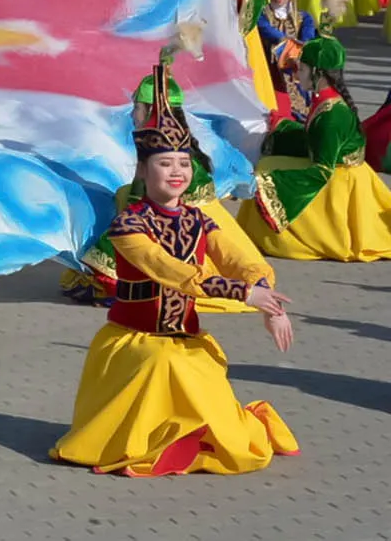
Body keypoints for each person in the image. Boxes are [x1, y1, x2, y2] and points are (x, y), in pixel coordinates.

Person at [50, 103, 297, 476]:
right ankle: (150, 443)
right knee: (164, 363)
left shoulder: (200, 220)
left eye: (183, 163)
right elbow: (175, 273)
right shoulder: (128, 226)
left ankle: (194, 434)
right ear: (143, 170)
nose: (177, 171)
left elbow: (240, 260)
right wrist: (243, 295)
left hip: (186, 338)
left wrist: (267, 301)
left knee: (199, 370)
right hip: (134, 340)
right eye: (165, 163)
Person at [61, 29, 258, 314]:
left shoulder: (160, 156)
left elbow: (139, 211)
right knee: (122, 193)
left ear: (151, 110)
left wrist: (99, 262)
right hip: (183, 224)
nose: (131, 114)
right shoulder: (180, 144)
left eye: (137, 108)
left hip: (177, 238)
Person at [237, 36, 391, 261]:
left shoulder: (332, 115)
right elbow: (316, 141)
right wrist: (283, 127)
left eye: (302, 68)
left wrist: (271, 183)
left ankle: (277, 239)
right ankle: (252, 235)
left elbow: (322, 171)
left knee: (264, 175)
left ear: (318, 72)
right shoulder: (324, 101)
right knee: (266, 163)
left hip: (340, 182)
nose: (297, 74)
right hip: (335, 170)